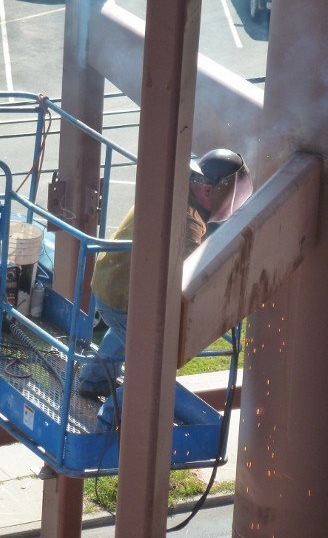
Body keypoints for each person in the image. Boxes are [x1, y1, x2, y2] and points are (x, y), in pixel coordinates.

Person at [78, 149, 254, 407]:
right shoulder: (187, 221)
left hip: (109, 282)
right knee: (155, 363)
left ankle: (92, 382)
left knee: (123, 334)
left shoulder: (172, 189)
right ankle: (111, 418)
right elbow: (194, 275)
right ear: (209, 192)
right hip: (124, 295)